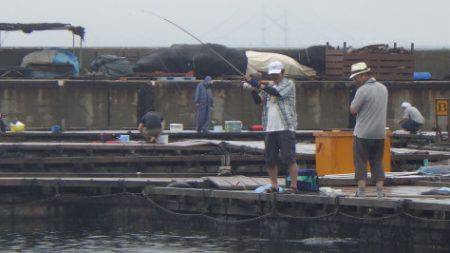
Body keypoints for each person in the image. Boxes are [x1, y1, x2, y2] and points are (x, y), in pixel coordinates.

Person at [247, 61, 299, 193]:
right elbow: (258, 100)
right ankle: (274, 185)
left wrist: (256, 83)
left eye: (276, 74)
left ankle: (293, 186)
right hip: (270, 128)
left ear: (282, 72)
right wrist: (253, 90)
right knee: (270, 159)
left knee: (289, 157)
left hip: (285, 127)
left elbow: (276, 93)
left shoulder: (289, 84)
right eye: (272, 74)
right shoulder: (269, 86)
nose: (274, 76)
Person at [349, 62, 388, 198]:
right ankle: (380, 191)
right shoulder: (383, 88)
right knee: (377, 161)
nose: (354, 80)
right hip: (380, 133)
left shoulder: (362, 90)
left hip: (363, 133)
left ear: (363, 75)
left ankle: (361, 191)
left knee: (360, 161)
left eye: (355, 77)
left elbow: (353, 110)